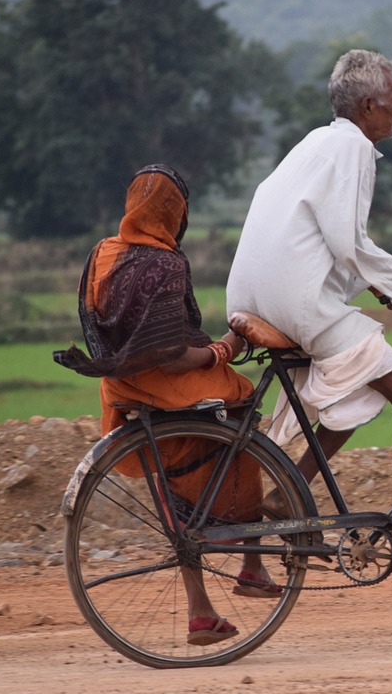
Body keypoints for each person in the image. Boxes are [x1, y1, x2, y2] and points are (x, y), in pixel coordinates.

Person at [226, 49, 392, 576]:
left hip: (261, 292)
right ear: (369, 105)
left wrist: (384, 283)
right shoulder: (351, 148)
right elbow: (349, 241)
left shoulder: (319, 142)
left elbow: (320, 242)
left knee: (366, 378)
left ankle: (289, 490)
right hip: (295, 300)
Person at [55, 164, 280, 646]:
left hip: (122, 389)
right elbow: (176, 357)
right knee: (243, 412)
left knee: (170, 469)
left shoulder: (103, 253)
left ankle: (201, 609)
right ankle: (253, 563)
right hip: (170, 383)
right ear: (175, 215)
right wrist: (225, 348)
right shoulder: (164, 264)